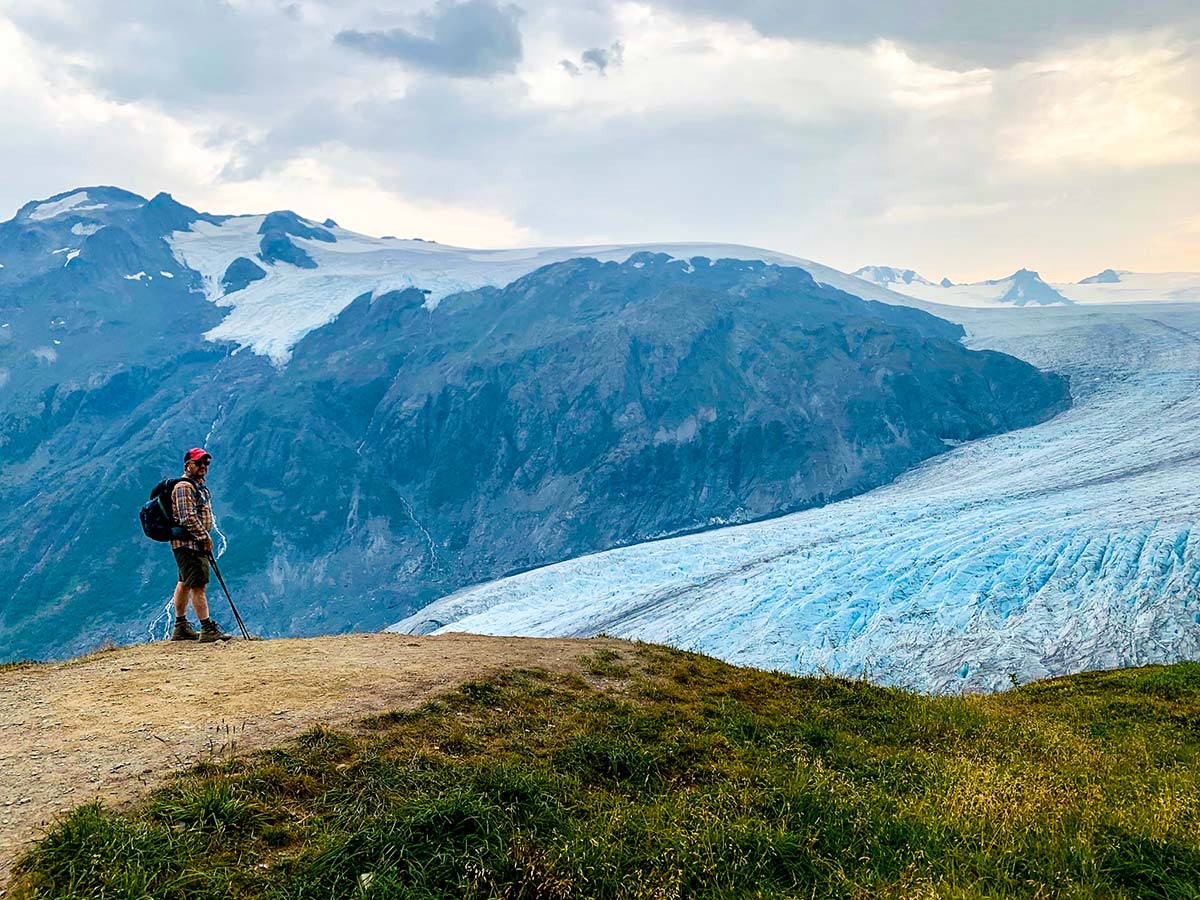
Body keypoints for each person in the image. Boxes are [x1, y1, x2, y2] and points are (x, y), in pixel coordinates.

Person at [169, 448, 233, 642]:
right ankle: (207, 629)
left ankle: (181, 627)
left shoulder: (198, 486)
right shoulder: (184, 487)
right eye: (198, 463)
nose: (203, 466)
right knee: (199, 585)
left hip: (188, 544)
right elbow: (187, 517)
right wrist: (204, 537)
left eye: (206, 463)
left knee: (185, 582)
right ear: (187, 465)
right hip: (190, 544)